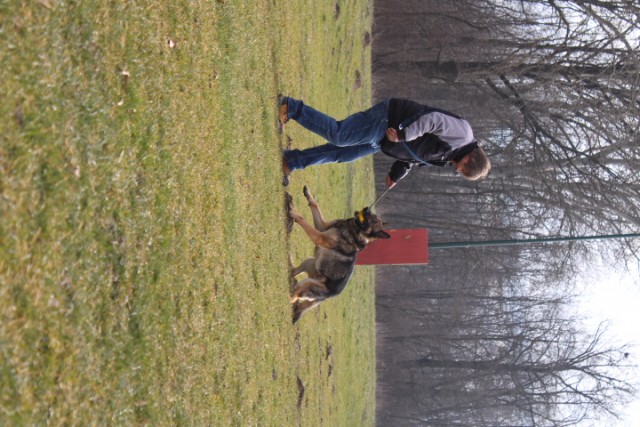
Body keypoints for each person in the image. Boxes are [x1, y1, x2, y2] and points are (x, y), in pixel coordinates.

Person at [279, 96, 491, 187]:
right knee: (340, 135)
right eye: (463, 168)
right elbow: (432, 120)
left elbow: (415, 155)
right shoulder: (463, 135)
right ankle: (292, 108)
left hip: (383, 140)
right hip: (389, 120)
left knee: (342, 154)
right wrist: (402, 135)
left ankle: (291, 161)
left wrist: (396, 174)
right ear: (470, 157)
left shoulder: (450, 156)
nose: (457, 169)